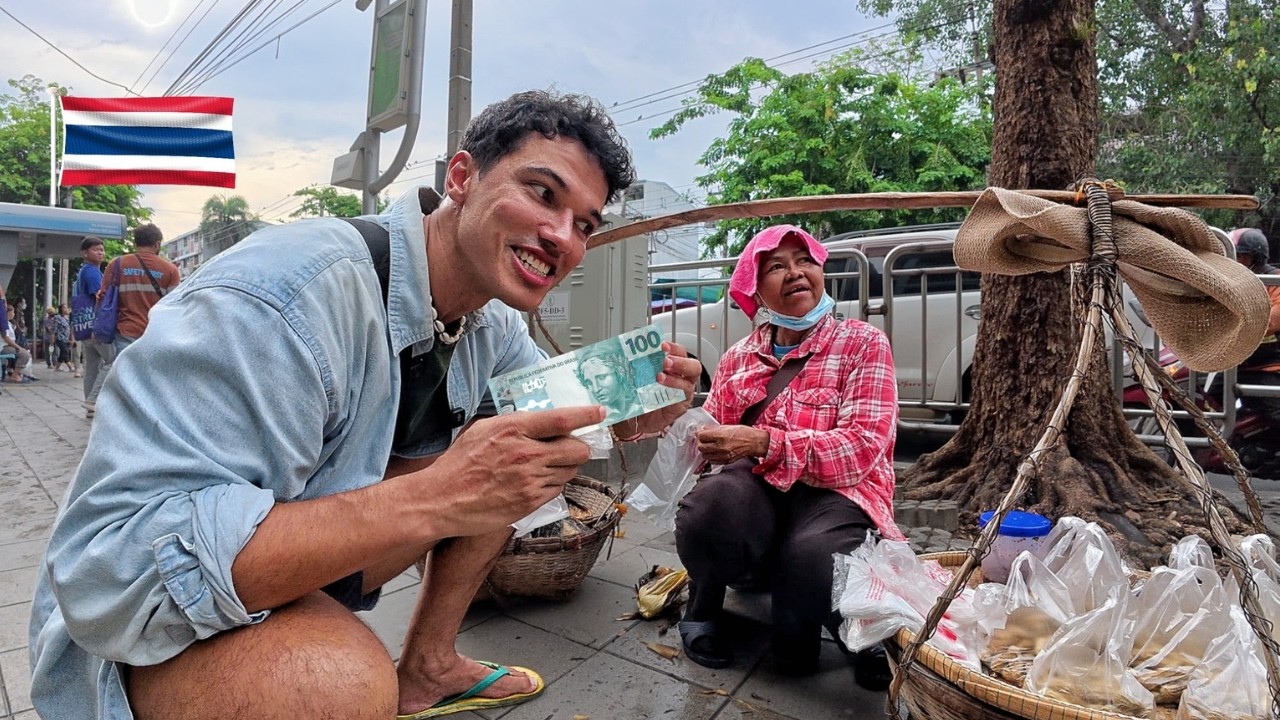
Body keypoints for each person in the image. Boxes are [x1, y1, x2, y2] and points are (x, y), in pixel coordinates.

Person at [29, 89, 700, 720]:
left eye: (583, 223)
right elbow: (112, 572)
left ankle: (430, 666)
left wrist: (622, 416)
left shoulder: (491, 324)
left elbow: (543, 424)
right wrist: (441, 492)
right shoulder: (286, 296)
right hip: (134, 627)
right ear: (462, 178)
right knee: (340, 686)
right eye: (541, 192)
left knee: (515, 444)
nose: (562, 237)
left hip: (302, 561)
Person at [674, 224, 902, 688]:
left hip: (838, 491)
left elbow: (860, 450)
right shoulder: (739, 357)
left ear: (821, 272)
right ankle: (702, 608)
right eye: (776, 266)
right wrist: (678, 415)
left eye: (805, 261)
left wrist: (763, 443)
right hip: (759, 489)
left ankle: (856, 625)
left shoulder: (862, 343)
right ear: (754, 291)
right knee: (710, 509)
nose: (795, 273)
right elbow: (709, 439)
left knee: (817, 559)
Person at [104, 222, 181, 355]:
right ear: (157, 244)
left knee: (125, 374)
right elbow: (174, 306)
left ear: (136, 243)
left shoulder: (116, 265)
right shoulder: (171, 270)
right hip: (155, 335)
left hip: (125, 333)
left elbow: (103, 297)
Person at [1233, 228, 1280, 416]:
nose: (1234, 262)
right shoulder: (1236, 283)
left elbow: (1270, 323)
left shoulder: (1274, 280)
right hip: (1235, 365)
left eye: (1239, 256)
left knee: (1276, 412)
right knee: (1200, 395)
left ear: (1252, 258)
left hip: (1269, 366)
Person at [76, 236, 114, 416]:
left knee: (92, 366)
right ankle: (93, 399)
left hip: (85, 326)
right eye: (95, 249)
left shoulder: (85, 271)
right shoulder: (91, 272)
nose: (100, 252)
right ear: (84, 253)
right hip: (96, 326)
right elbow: (100, 298)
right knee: (112, 360)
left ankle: (90, 405)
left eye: (101, 249)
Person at [574, 341, 646, 423]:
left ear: (620, 373)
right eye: (589, 383)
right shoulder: (599, 423)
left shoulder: (640, 408)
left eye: (601, 377)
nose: (596, 389)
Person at [3, 304, 34, 382]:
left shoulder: (9, 323)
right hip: (5, 346)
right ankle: (15, 375)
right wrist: (18, 347)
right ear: (8, 313)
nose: (13, 314)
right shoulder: (3, 324)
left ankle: (16, 372)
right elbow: (6, 338)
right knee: (24, 354)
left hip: (10, 345)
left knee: (24, 352)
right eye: (12, 312)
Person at [55, 303, 75, 373]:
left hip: (67, 339)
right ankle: (70, 367)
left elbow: (71, 328)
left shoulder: (68, 318)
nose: (66, 309)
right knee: (65, 350)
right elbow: (55, 328)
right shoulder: (58, 317)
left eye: (67, 308)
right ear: (61, 309)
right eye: (64, 308)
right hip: (60, 338)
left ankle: (57, 367)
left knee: (63, 352)